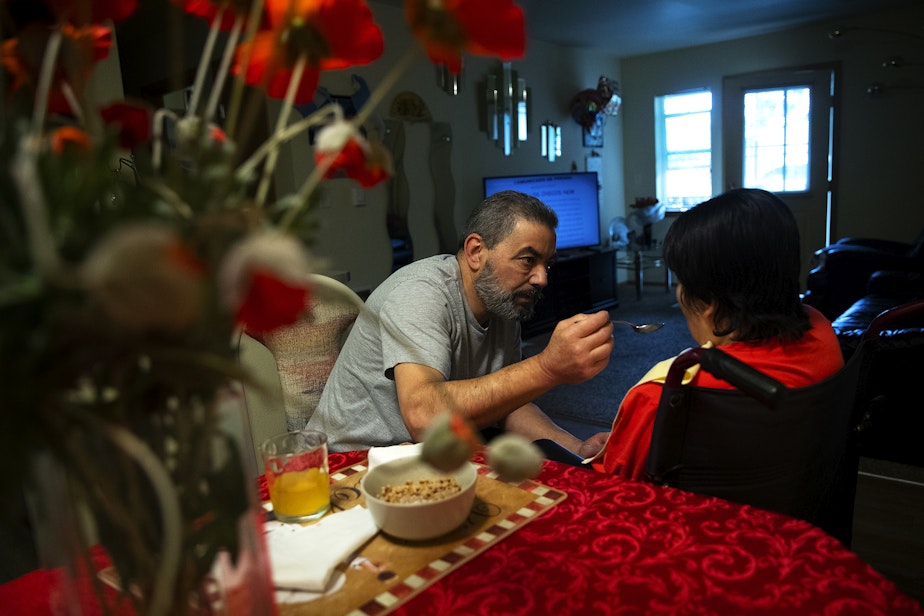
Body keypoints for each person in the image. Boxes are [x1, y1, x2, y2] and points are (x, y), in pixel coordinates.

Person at [307, 190, 614, 456]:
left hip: (427, 456)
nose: (542, 278)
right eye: (527, 260)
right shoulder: (420, 293)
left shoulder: (503, 301)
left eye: (546, 263)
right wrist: (548, 367)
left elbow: (507, 403)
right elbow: (423, 417)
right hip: (350, 463)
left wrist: (576, 447)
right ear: (476, 252)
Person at [588, 188, 844, 479]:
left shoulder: (665, 393)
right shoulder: (822, 330)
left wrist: (626, 438)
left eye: (681, 281)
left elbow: (612, 485)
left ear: (709, 304)